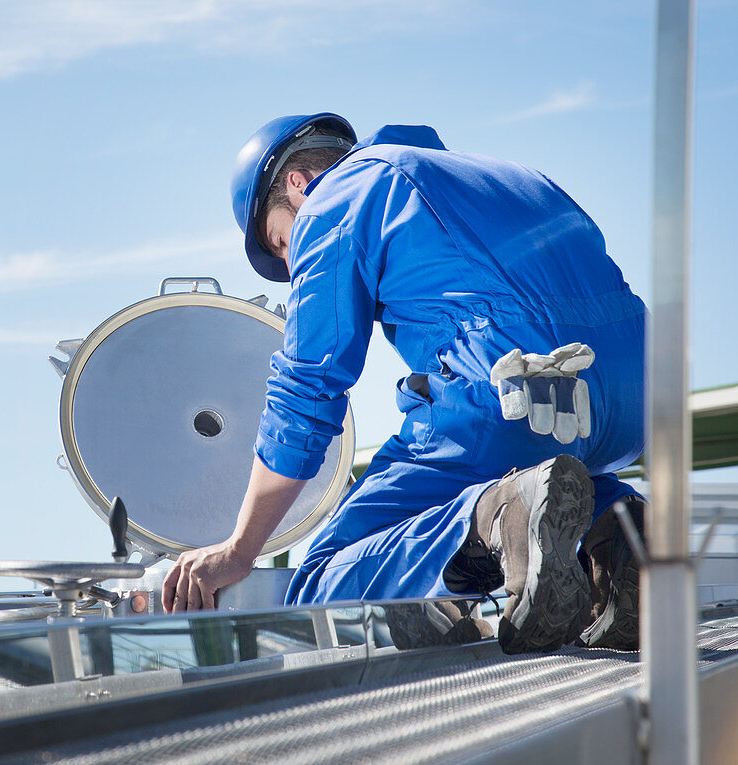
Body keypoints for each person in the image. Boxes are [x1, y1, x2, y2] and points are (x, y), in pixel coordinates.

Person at [162, 113, 647, 654]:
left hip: (510, 394)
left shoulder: (336, 197)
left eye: (281, 241)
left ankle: (503, 516)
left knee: (322, 579)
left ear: (297, 185)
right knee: (555, 483)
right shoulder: (505, 173)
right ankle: (617, 537)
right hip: (631, 403)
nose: (291, 257)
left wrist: (240, 548)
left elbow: (308, 388)